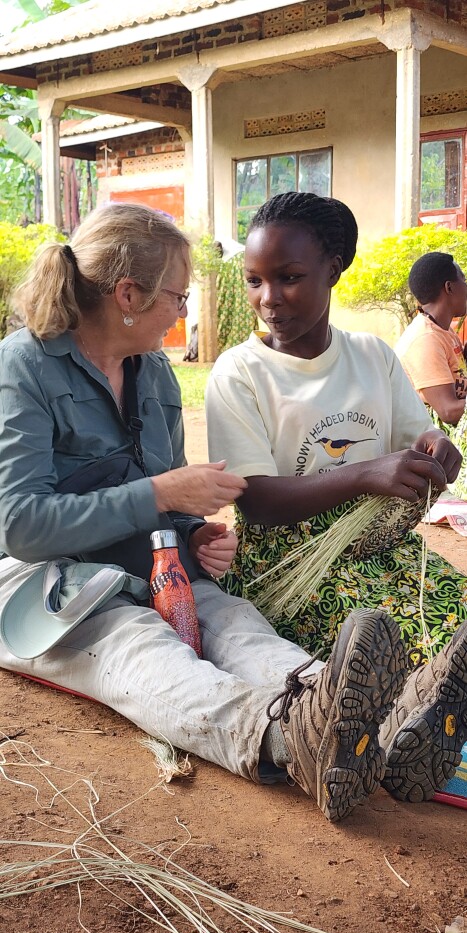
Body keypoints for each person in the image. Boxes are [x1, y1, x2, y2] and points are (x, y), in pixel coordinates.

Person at [0, 201, 424, 825]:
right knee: (141, 648)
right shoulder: (24, 366)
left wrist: (194, 534)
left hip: (154, 564)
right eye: (177, 296)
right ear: (128, 295)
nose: (184, 311)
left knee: (236, 625)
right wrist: (161, 496)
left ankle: (375, 727)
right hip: (51, 584)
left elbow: (168, 503)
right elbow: (21, 525)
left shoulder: (154, 374)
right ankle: (286, 740)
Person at [205, 191, 467, 801]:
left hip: (381, 548)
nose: (269, 298)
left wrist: (435, 449)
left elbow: (415, 441)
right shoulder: (240, 373)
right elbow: (256, 501)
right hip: (291, 564)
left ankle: (423, 726)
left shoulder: (372, 357)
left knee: (454, 613)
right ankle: (405, 729)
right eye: (255, 281)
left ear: (334, 268)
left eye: (289, 277)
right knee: (387, 636)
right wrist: (364, 474)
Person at [395, 251, 467, 500]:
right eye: (463, 280)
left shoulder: (442, 330)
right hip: (436, 456)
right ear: (449, 287)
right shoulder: (425, 339)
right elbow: (449, 412)